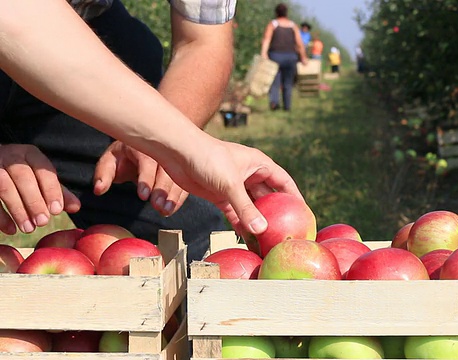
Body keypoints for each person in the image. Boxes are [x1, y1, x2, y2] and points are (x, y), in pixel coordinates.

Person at [0, 1, 303, 263]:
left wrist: (158, 144)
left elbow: (204, 41)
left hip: (80, 37)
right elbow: (14, 14)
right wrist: (187, 145)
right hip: (26, 28)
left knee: (190, 241)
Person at [261, 3, 308, 111]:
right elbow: (299, 43)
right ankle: (287, 106)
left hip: (275, 56)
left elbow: (267, 39)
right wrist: (303, 57)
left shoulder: (273, 24)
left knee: (275, 82)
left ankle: (274, 103)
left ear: (276, 13)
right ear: (287, 13)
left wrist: (264, 53)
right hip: (291, 57)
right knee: (288, 83)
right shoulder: (293, 25)